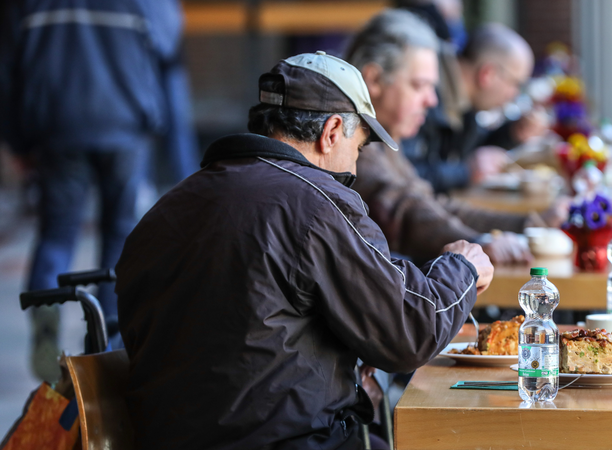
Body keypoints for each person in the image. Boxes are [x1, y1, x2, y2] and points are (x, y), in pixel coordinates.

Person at [115, 51, 493, 450]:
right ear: (331, 132)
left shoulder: (167, 207)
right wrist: (461, 269)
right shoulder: (316, 202)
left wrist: (344, 383)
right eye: (359, 148)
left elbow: (244, 334)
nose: (356, 167)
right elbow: (411, 331)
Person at [0, 0, 198, 381]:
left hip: (57, 127)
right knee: (120, 237)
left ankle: (46, 315)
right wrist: (184, 166)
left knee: (57, 234)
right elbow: (170, 53)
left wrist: (19, 142)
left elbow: (6, 71)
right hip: (124, 126)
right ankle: (109, 338)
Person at [345, 9, 563, 265]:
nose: (432, 99)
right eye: (418, 85)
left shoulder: (378, 135)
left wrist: (529, 223)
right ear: (374, 80)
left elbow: (432, 205)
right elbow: (404, 212)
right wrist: (478, 243)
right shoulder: (348, 140)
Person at [403, 22, 550, 193]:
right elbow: (404, 176)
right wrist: (466, 172)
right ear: (488, 74)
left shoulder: (463, 97)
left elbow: (473, 147)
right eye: (515, 84)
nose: (515, 95)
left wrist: (513, 132)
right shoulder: (425, 94)